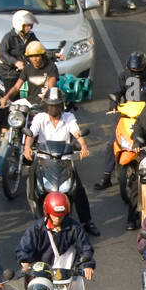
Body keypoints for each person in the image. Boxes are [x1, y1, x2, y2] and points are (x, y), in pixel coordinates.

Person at [16, 191, 95, 290]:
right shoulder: (36, 229)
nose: (58, 219)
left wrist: (87, 265)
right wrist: (25, 263)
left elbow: (86, 249)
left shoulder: (75, 227)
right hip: (43, 272)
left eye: (61, 216)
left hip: (69, 271)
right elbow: (23, 249)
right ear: (47, 213)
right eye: (55, 216)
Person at [0, 39, 58, 188]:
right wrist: (6, 98)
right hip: (28, 102)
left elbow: (51, 87)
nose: (35, 59)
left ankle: (50, 170)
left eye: (37, 55)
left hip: (43, 105)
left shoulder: (51, 68)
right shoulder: (27, 69)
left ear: (42, 55)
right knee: (9, 132)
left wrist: (46, 102)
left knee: (46, 137)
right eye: (32, 56)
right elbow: (17, 87)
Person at [23, 87, 98, 234]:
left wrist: (83, 146)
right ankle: (37, 214)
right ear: (46, 105)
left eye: (56, 104)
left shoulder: (68, 117)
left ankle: (87, 221)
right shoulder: (40, 118)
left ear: (61, 105)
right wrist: (27, 147)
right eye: (51, 104)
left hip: (65, 161)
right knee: (34, 183)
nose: (53, 107)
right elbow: (31, 133)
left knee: (78, 190)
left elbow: (77, 132)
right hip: (44, 160)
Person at [95, 52, 146, 191]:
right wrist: (113, 105)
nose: (136, 73)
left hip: (145, 117)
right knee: (112, 144)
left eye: (139, 70)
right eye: (133, 70)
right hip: (126, 114)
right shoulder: (123, 76)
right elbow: (117, 92)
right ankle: (106, 177)